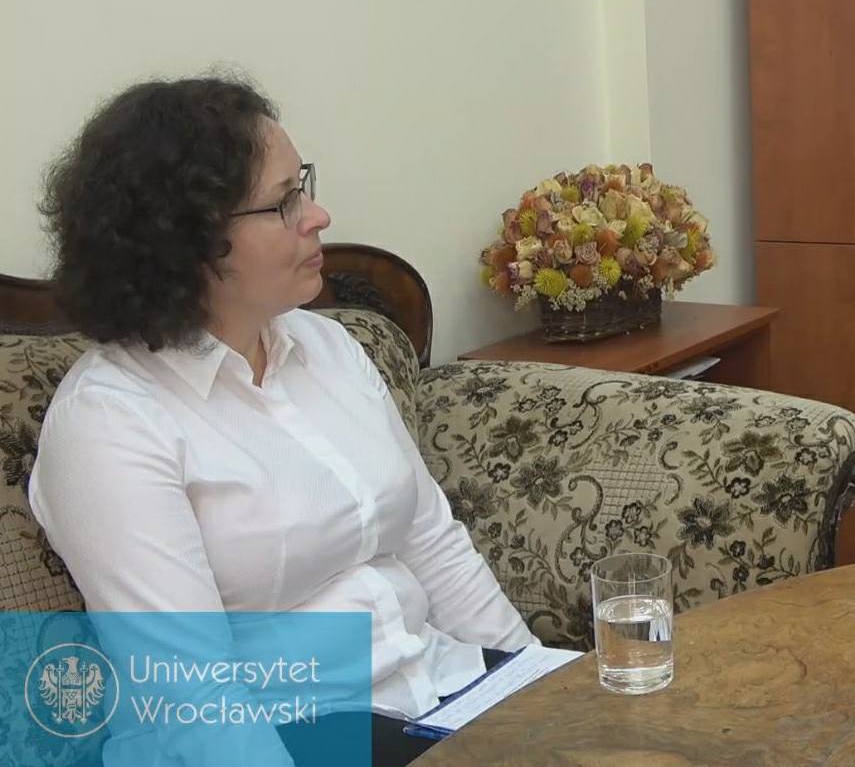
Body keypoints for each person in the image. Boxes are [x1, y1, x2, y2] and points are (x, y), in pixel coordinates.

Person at [29, 76, 535, 766]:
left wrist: (545, 691)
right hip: (299, 735)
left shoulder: (328, 346)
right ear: (189, 241)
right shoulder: (109, 423)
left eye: (305, 186)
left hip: (439, 691)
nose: (317, 215)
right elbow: (196, 699)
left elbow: (433, 544)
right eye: (284, 201)